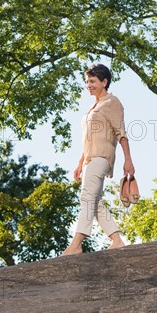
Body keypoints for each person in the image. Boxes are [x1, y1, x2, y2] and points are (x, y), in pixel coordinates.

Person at [61, 63, 134, 255]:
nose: (88, 85)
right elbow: (88, 139)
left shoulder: (112, 103)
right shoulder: (93, 107)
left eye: (92, 81)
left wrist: (128, 161)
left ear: (104, 82)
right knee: (95, 201)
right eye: (87, 81)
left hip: (102, 157)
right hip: (89, 160)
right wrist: (79, 164)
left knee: (87, 198)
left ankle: (76, 245)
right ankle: (117, 240)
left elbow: (121, 133)